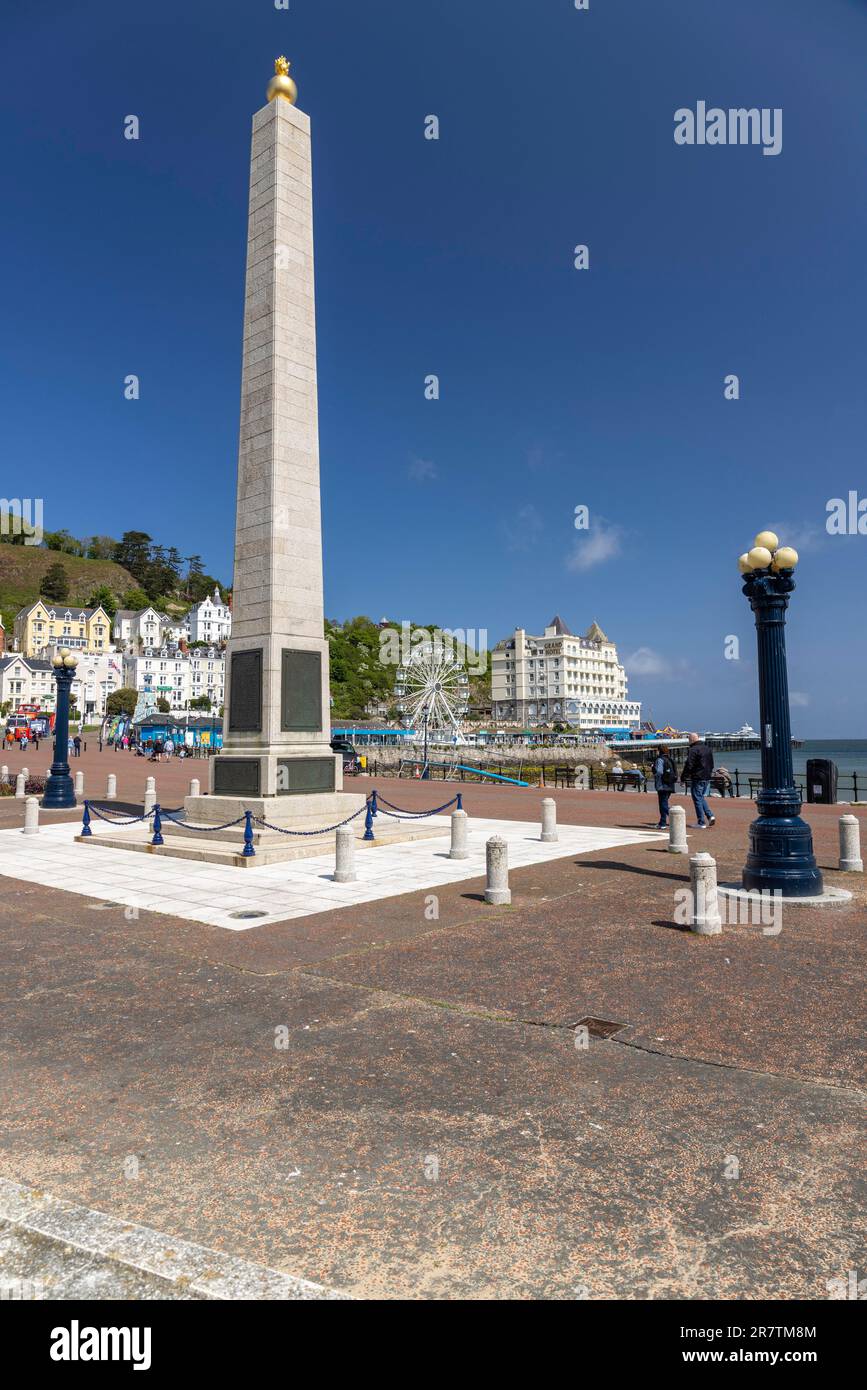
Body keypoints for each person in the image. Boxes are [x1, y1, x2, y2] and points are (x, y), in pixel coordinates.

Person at [682, 732, 715, 828]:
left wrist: (684, 777)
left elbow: (689, 764)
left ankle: (701, 822)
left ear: (692, 740)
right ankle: (710, 816)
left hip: (697, 777)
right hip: (707, 776)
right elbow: (711, 764)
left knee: (697, 798)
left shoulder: (693, 749)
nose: (688, 742)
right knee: (700, 797)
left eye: (688, 740)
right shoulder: (707, 748)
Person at [652, 743, 677, 829]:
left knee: (663, 804)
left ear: (659, 751)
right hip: (670, 784)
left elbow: (659, 772)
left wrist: (654, 772)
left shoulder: (660, 759)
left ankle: (675, 815)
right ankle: (662, 823)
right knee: (664, 802)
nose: (656, 752)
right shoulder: (670, 759)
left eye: (657, 750)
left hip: (662, 785)